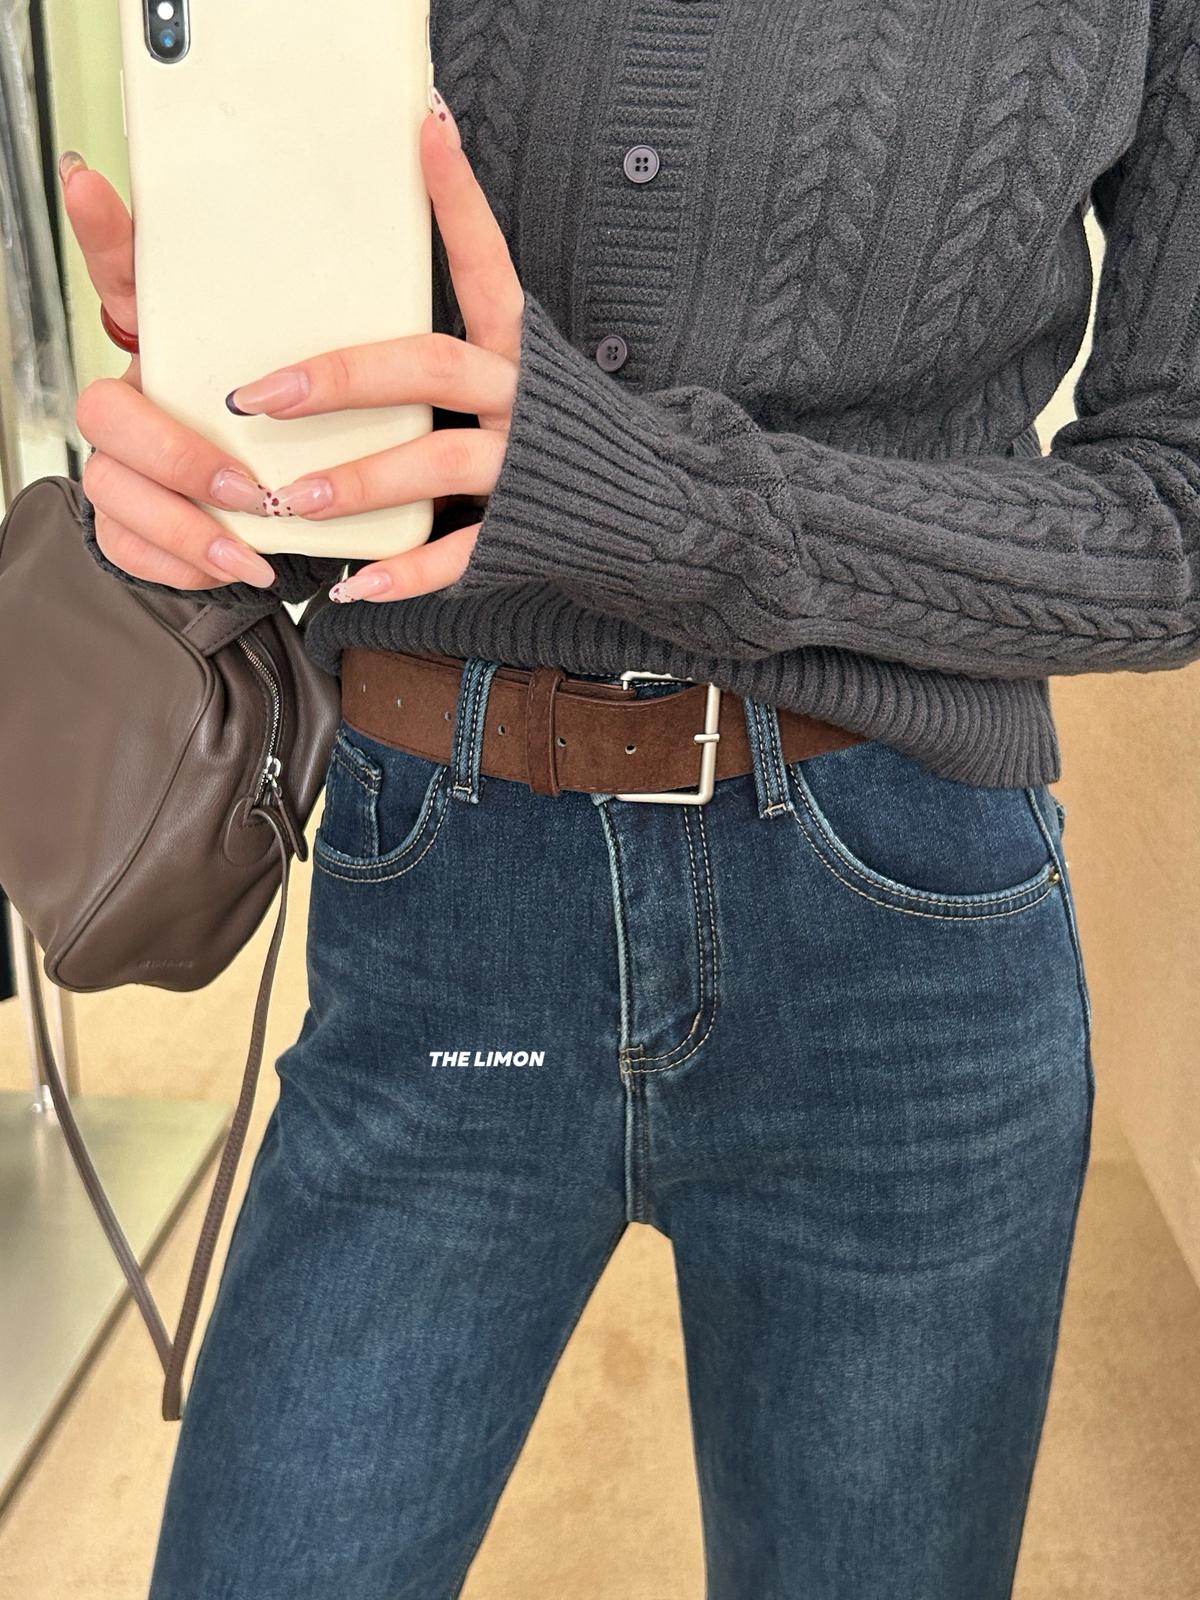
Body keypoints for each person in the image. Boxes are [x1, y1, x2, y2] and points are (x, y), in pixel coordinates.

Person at [61, 4, 1199, 1596]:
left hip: (897, 945)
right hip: (446, 917)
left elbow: (1174, 515)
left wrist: (666, 505)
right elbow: (391, 420)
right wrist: (230, 460)